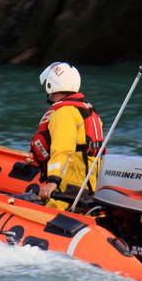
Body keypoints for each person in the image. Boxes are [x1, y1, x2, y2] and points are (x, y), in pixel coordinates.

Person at [30, 62, 104, 210]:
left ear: (52, 85)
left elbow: (62, 149)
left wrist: (52, 181)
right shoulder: (86, 110)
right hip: (89, 187)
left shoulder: (64, 113)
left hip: (68, 190)